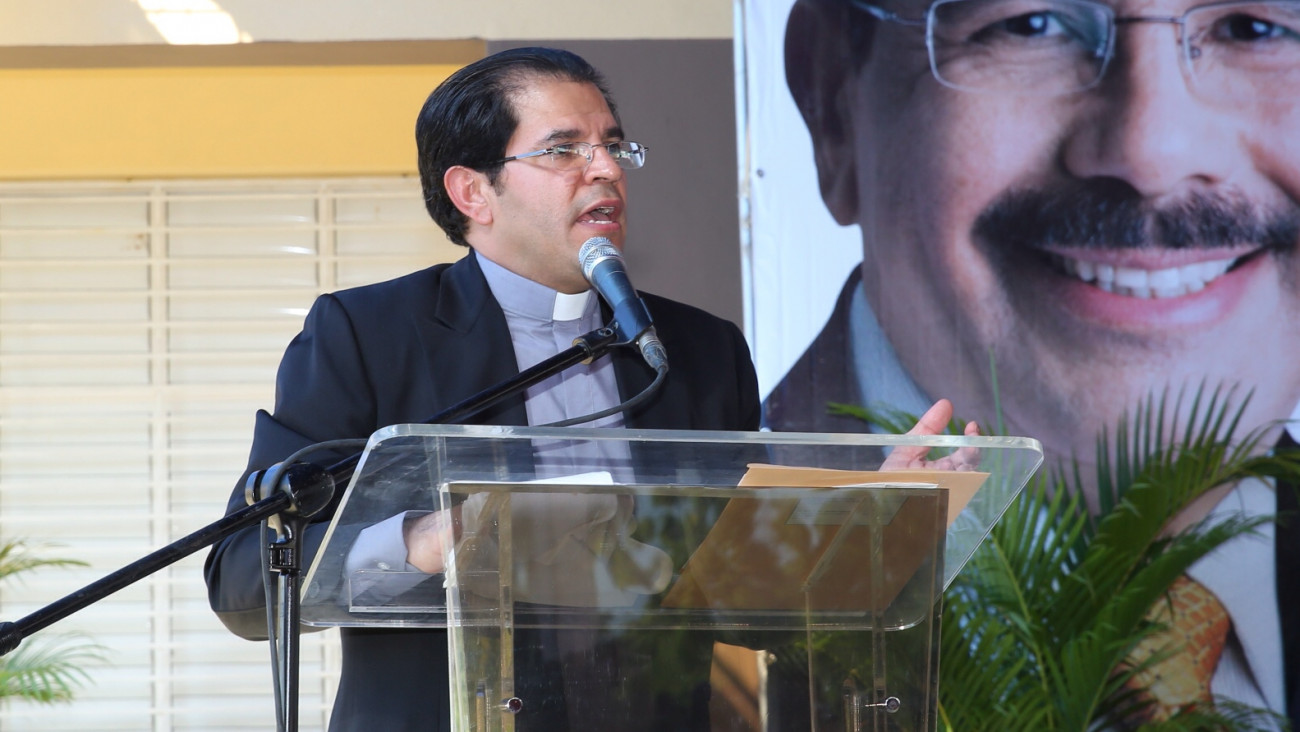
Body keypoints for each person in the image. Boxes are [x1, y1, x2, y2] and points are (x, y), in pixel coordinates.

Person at [204, 46, 969, 731]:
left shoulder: (699, 351)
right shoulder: (368, 335)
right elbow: (242, 578)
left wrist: (870, 525)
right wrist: (430, 540)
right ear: (473, 191)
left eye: (613, 145)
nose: (606, 169)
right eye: (564, 149)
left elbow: (736, 593)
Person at [764, 0, 1300, 725]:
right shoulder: (657, 593)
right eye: (1031, 23)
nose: (1152, 153)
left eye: (1254, 29)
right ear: (833, 101)